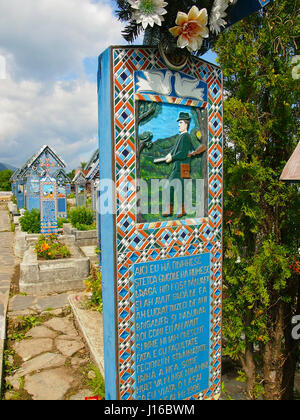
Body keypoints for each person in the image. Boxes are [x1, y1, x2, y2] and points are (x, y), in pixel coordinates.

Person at [162, 111, 194, 218]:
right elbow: (175, 150)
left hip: (181, 168)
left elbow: (183, 153)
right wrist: (169, 155)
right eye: (179, 123)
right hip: (177, 167)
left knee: (174, 188)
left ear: (186, 124)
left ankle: (179, 210)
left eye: (180, 122)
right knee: (172, 187)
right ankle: (172, 209)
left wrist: (172, 157)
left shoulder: (186, 137)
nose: (179, 125)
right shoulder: (181, 136)